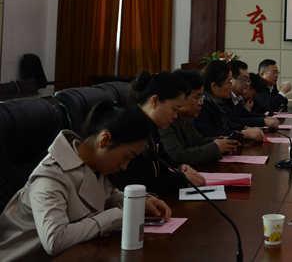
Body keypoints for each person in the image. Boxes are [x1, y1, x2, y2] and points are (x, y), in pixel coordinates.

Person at [0, 102, 171, 259]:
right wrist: (116, 216)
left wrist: (139, 203)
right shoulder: (49, 178)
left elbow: (108, 196)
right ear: (104, 140)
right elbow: (55, 240)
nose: (125, 166)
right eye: (126, 156)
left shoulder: (94, 166)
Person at [111, 72, 205, 194]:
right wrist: (182, 179)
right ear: (154, 100)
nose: (176, 116)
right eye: (174, 109)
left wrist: (180, 168)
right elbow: (140, 182)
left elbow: (163, 161)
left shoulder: (151, 126)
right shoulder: (131, 128)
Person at [160, 70, 241, 167]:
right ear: (181, 97)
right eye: (196, 97)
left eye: (202, 97)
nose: (201, 102)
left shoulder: (186, 118)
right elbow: (177, 156)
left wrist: (219, 141)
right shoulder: (165, 119)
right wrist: (216, 148)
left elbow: (197, 141)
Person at [195, 60, 272, 140]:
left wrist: (245, 128)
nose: (231, 85)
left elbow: (230, 123)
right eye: (229, 82)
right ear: (214, 86)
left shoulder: (219, 102)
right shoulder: (202, 105)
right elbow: (212, 133)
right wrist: (243, 133)